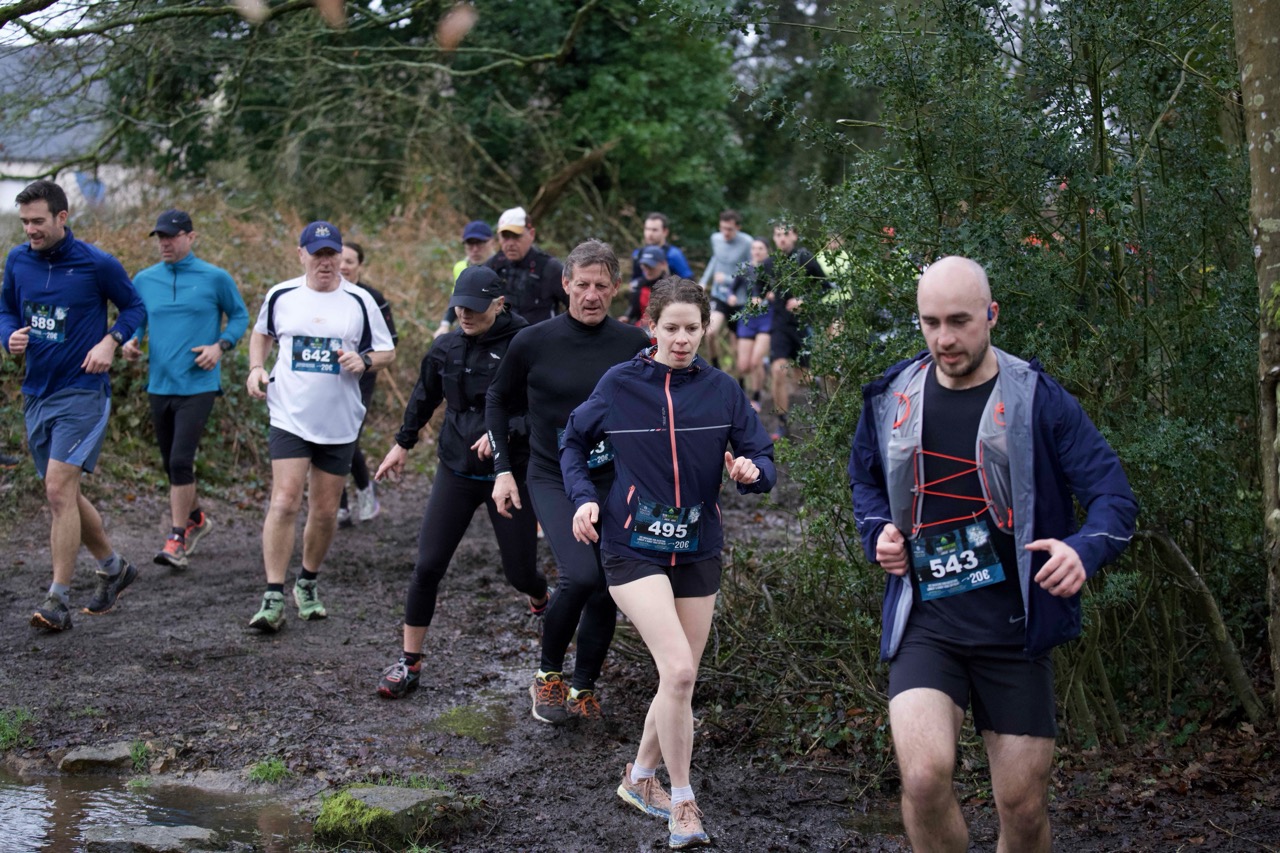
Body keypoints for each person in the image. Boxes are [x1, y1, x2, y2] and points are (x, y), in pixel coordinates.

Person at [848, 256, 1138, 852]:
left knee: (1023, 809)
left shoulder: (1039, 400)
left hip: (1013, 630)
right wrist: (878, 531)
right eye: (930, 322)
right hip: (928, 622)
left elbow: (1114, 498)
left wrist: (1082, 550)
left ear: (992, 315)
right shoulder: (893, 396)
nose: (944, 338)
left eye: (959, 321)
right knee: (923, 779)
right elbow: (865, 483)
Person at [561, 277, 775, 850]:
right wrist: (582, 497)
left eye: (692, 328)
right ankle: (682, 802)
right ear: (651, 327)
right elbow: (572, 442)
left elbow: (762, 454)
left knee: (678, 680)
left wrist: (752, 471)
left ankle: (638, 777)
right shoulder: (621, 384)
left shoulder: (723, 390)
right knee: (678, 672)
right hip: (631, 545)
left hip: (698, 547)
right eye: (671, 328)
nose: (681, 339)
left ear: (706, 329)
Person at [485, 239, 651, 724]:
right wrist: (502, 470)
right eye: (582, 285)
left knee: (607, 585)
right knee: (580, 575)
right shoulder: (533, 341)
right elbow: (497, 400)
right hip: (552, 475)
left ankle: (584, 687)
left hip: (612, 478)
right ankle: (548, 676)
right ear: (565, 284)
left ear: (616, 288)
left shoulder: (634, 344)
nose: (591, 295)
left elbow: (663, 401)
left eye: (601, 286)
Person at [371, 266, 548, 699]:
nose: (464, 315)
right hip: (455, 470)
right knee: (427, 565)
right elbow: (424, 396)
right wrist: (402, 444)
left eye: (474, 308)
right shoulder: (445, 347)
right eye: (459, 307)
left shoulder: (526, 345)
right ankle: (409, 663)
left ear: (499, 304)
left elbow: (544, 411)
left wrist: (505, 432)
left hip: (509, 475)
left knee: (520, 573)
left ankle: (541, 597)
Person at [0, 179, 146, 630]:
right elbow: (5, 310)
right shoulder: (18, 260)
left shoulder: (96, 263)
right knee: (64, 493)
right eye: (24, 222)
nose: (30, 230)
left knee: (58, 490)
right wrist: (9, 335)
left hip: (83, 391)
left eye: (38, 221)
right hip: (37, 392)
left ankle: (57, 600)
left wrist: (111, 340)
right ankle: (114, 567)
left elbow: (135, 308)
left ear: (62, 217)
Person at [244, 221, 396, 632]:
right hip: (289, 415)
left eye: (332, 254)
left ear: (340, 256)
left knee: (326, 511)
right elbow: (261, 334)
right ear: (302, 255)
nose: (325, 262)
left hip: (339, 421)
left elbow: (387, 351)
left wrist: (365, 360)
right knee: (284, 501)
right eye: (317, 254)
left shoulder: (360, 301)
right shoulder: (282, 295)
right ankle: (272, 595)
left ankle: (307, 582)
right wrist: (256, 368)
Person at [123, 208, 249, 569]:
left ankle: (176, 539)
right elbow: (138, 319)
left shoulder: (215, 278)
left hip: (198, 384)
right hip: (160, 383)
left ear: (191, 237)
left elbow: (239, 316)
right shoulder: (145, 279)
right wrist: (132, 340)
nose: (165, 243)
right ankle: (196, 519)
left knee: (181, 461)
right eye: (160, 237)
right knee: (171, 464)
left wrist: (219, 346)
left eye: (172, 236)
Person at [335, 240, 399, 527]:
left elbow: (391, 340)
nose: (343, 266)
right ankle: (340, 505)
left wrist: (364, 359)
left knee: (348, 437)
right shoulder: (324, 295)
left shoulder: (371, 297)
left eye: (350, 261)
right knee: (328, 437)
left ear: (360, 265)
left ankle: (363, 492)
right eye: (339, 260)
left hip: (362, 376)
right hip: (328, 377)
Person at [762, 223, 826, 440]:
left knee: (802, 379)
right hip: (779, 326)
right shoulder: (769, 263)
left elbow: (825, 286)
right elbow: (758, 285)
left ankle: (815, 386)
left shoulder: (805, 258)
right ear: (774, 237)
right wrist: (760, 295)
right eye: (778, 234)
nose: (782, 238)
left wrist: (804, 300)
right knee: (778, 372)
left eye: (786, 234)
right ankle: (782, 423)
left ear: (795, 236)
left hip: (801, 326)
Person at [486, 206, 568, 325]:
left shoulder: (550, 268)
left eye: (516, 236)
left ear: (531, 234)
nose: (510, 243)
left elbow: (577, 307)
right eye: (505, 236)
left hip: (541, 335)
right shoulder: (493, 266)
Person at [698, 210, 753, 369]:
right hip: (720, 295)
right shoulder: (716, 239)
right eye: (723, 228)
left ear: (738, 228)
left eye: (730, 229)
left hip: (739, 299)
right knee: (710, 332)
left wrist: (728, 278)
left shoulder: (747, 242)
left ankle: (740, 380)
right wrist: (703, 281)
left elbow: (751, 270)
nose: (725, 232)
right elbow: (715, 259)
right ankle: (715, 368)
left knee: (737, 347)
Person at [434, 220, 494, 338]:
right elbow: (456, 298)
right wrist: (445, 324)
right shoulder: (460, 267)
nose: (475, 249)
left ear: (492, 242)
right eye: (470, 244)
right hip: (470, 328)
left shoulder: (503, 266)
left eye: (480, 244)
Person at [732, 238, 772, 411]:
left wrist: (770, 296)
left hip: (767, 317)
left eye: (760, 248)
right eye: (754, 248)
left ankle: (756, 398)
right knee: (743, 365)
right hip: (748, 317)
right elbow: (733, 288)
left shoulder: (773, 269)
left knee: (755, 362)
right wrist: (731, 297)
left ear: (767, 251)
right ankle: (742, 393)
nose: (757, 251)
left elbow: (782, 291)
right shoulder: (745, 268)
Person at [628, 212, 693, 283]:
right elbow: (634, 281)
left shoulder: (674, 254)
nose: (650, 234)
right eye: (647, 229)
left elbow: (689, 281)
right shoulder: (637, 254)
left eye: (654, 230)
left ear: (665, 232)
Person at [622, 245, 668, 326]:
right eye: (645, 266)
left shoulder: (671, 286)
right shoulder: (637, 285)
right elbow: (633, 309)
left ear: (663, 264)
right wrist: (627, 317)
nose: (648, 270)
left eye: (651, 266)